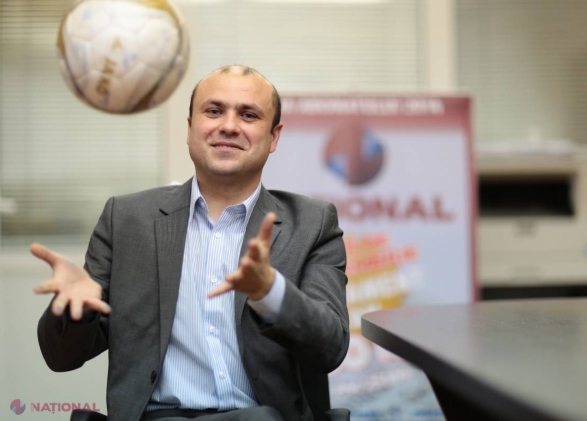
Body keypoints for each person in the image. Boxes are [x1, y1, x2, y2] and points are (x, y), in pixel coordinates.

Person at [32, 65, 349, 421]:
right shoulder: (127, 220)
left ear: (274, 137)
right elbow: (61, 358)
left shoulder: (312, 224)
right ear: (190, 127)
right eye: (213, 111)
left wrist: (270, 293)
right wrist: (75, 309)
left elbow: (330, 348)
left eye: (248, 115)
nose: (229, 126)